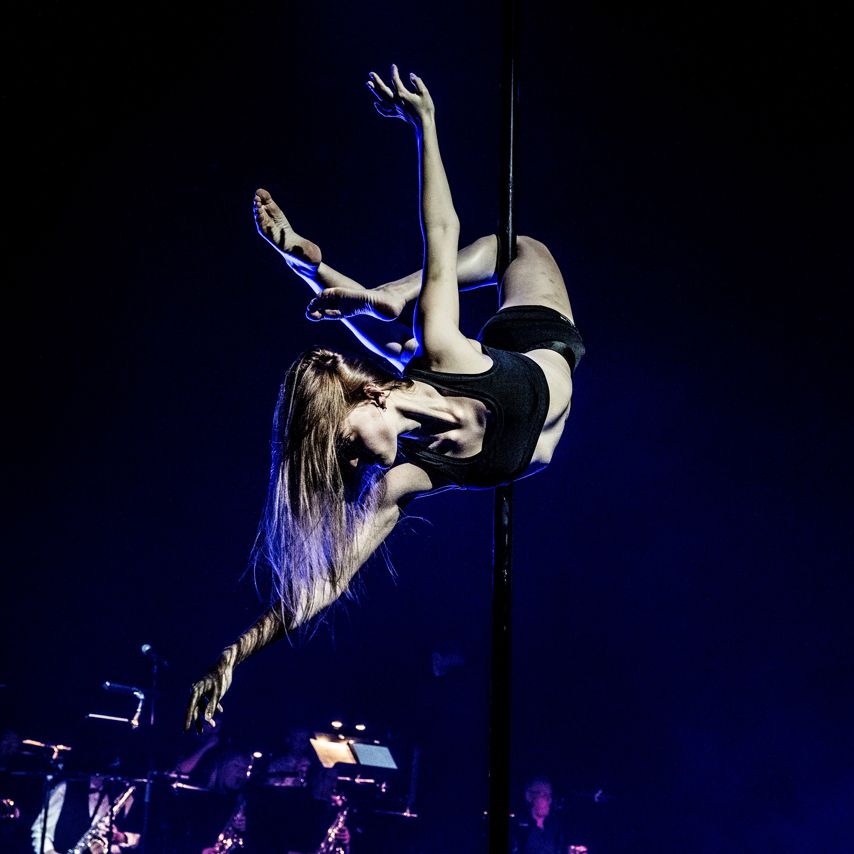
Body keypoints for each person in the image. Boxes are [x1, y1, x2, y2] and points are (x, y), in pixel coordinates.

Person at [186, 66, 583, 733]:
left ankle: (373, 292)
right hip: (480, 391)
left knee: (498, 261)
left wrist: (424, 123)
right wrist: (234, 655)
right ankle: (332, 277)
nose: (354, 469)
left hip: (535, 333)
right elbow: (324, 582)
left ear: (366, 401)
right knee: (402, 336)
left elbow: (443, 231)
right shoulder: (402, 480)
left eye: (344, 448)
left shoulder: (440, 351)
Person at [29, 775, 139, 854]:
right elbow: (39, 830)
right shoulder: (66, 788)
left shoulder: (124, 795)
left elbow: (138, 839)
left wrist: (120, 837)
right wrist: (49, 852)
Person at [511, 777, 566, 854]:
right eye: (544, 795)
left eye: (550, 795)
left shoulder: (555, 827)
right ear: (529, 796)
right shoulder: (517, 828)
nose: (549, 800)